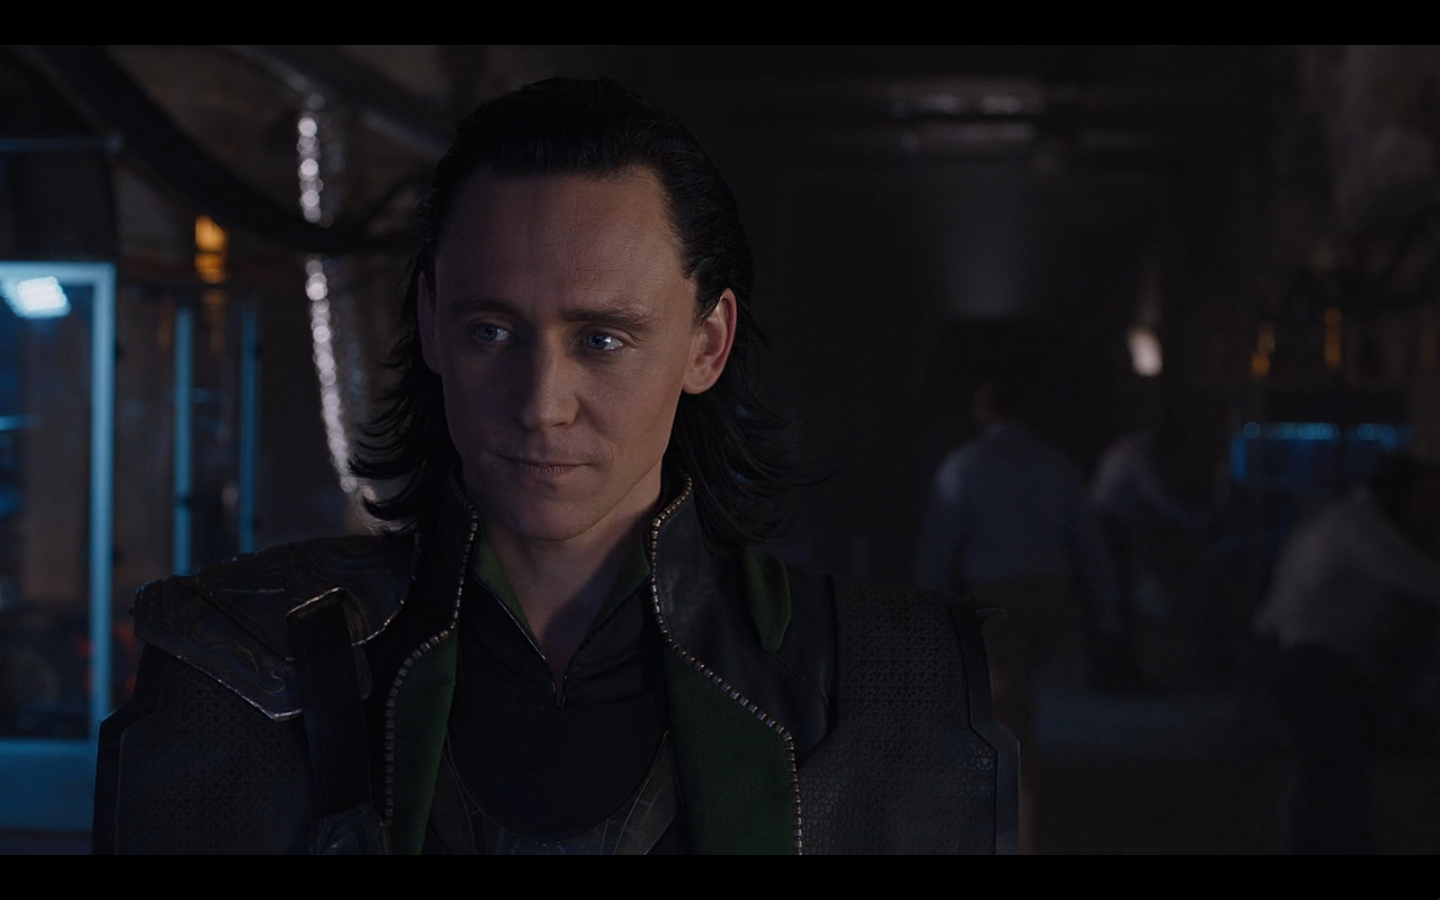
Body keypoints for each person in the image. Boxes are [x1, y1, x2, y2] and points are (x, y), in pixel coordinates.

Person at [93, 77, 1016, 855]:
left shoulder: (891, 678)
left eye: (602, 339)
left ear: (706, 344)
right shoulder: (244, 660)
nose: (541, 402)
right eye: (492, 331)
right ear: (431, 325)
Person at [913, 379, 1115, 853]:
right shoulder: (1057, 465)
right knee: (1022, 706)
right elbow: (1090, 545)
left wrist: (924, 613)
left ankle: (1017, 829)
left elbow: (939, 546)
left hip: (995, 601)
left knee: (1008, 713)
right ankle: (1028, 822)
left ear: (982, 412)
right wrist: (1107, 615)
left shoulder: (964, 465)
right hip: (1050, 598)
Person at [1253, 454, 1440, 854]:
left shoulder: (1344, 517)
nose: (1432, 508)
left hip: (1299, 654)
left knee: (1322, 775)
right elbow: (1423, 581)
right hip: (1308, 661)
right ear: (1398, 494)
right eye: (1426, 498)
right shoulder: (1363, 529)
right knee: (1334, 778)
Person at [1090, 417, 1203, 690]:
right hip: (1109, 526)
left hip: (1110, 524)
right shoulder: (1138, 454)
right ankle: (1116, 670)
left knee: (1115, 599)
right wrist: (1195, 522)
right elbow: (1155, 496)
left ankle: (1114, 668)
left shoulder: (1130, 446)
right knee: (1117, 599)